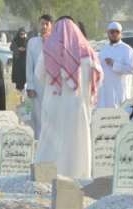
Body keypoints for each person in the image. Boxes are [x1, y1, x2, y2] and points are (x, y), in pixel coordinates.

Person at [34, 17, 102, 179]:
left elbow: (39, 75)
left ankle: (47, 176)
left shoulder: (49, 51)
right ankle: (79, 175)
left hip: (55, 105)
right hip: (78, 107)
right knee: (77, 143)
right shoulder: (88, 52)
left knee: (51, 143)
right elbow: (98, 77)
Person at [97, 22, 133, 108]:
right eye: (112, 32)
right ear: (107, 33)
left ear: (120, 33)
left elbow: (132, 69)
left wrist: (114, 64)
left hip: (120, 90)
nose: (114, 34)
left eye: (117, 32)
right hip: (106, 91)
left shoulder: (127, 50)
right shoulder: (104, 50)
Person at [26, 14, 53, 140]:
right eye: (42, 23)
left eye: (47, 24)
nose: (44, 26)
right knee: (37, 116)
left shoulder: (56, 41)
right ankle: (38, 144)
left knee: (51, 115)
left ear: (51, 26)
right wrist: (30, 86)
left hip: (53, 86)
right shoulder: (32, 42)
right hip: (37, 86)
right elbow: (29, 65)